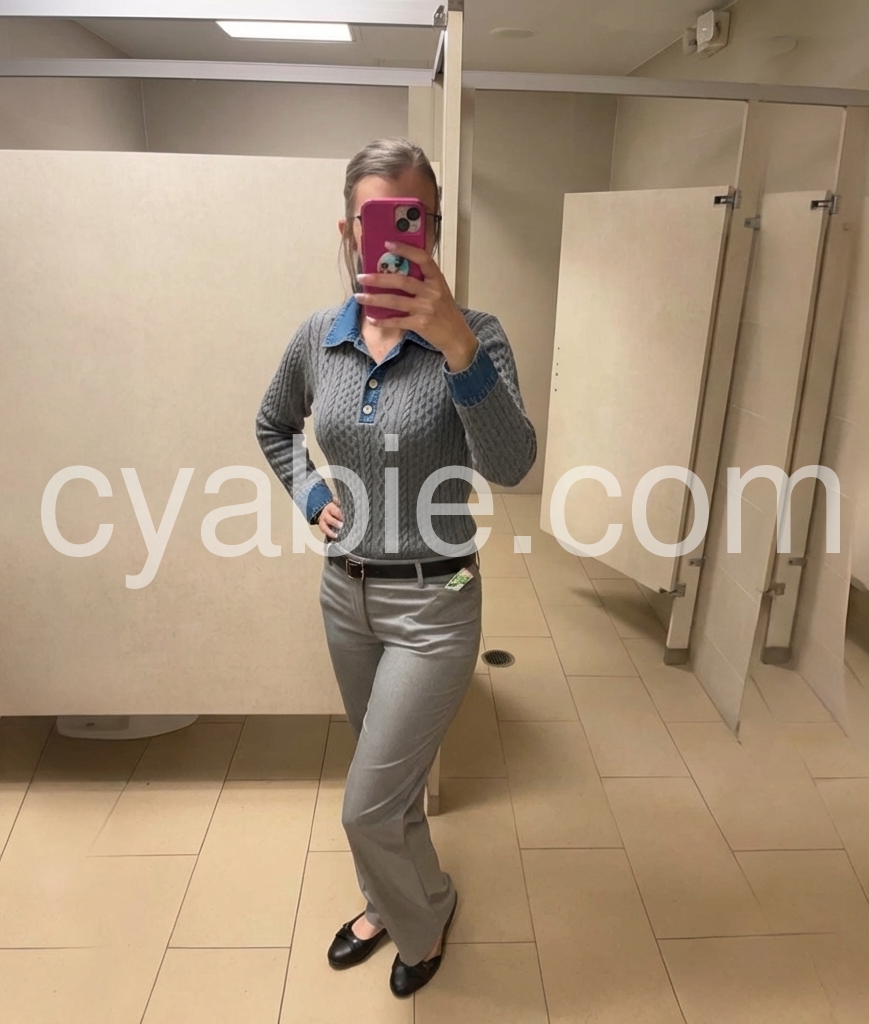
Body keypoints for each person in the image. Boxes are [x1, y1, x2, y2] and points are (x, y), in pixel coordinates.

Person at [254, 137, 536, 997]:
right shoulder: (320, 337)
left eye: (416, 220)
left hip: (435, 604)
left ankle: (423, 922)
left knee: (365, 803)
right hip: (346, 597)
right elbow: (273, 425)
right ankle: (396, 895)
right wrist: (311, 494)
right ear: (349, 230)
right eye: (377, 220)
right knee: (395, 783)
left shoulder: (478, 336)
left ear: (434, 229)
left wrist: (458, 352)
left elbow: (512, 464)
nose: (396, 238)